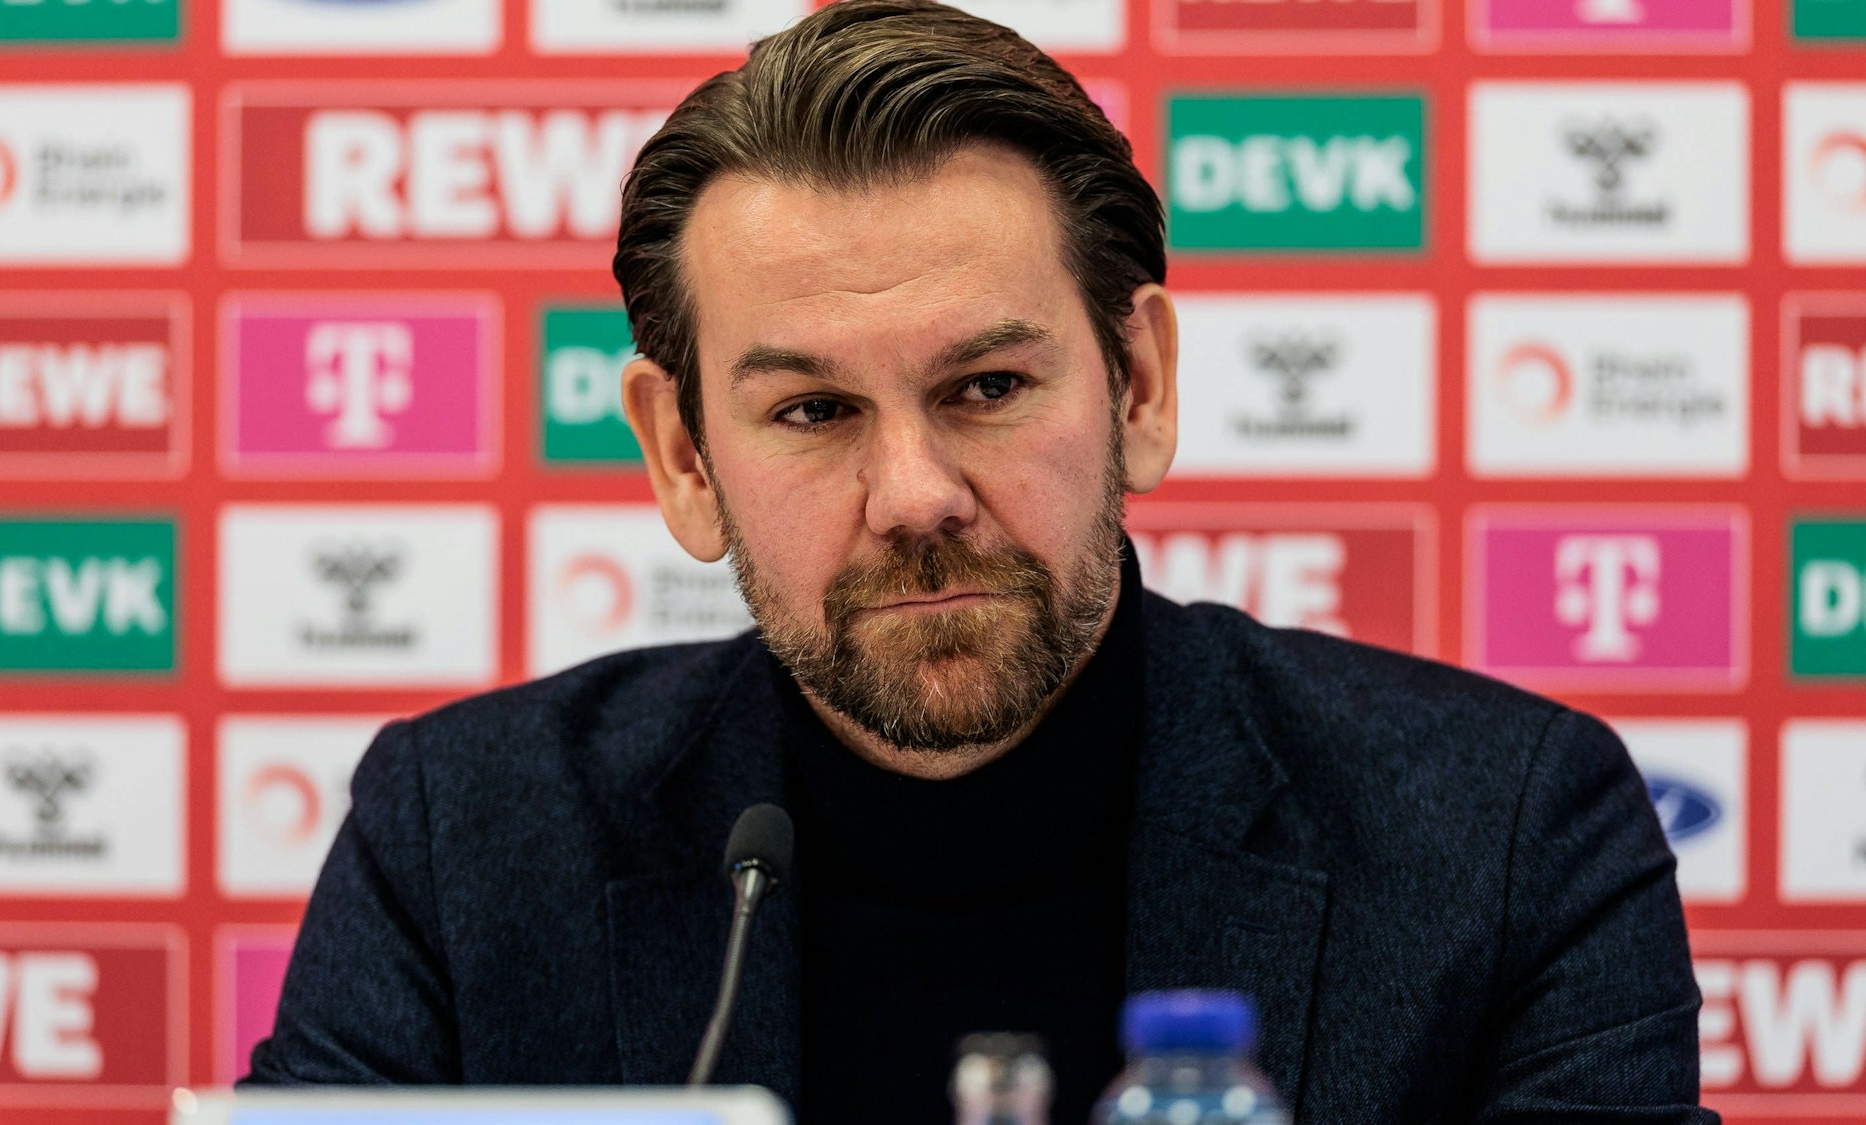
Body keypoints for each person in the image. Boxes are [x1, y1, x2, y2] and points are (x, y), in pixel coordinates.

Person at [244, 3, 1715, 1122]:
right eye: (812, 412)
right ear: (685, 457)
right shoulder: (467, 838)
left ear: (1137, 386)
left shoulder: (1509, 834)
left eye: (987, 389)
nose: (914, 493)